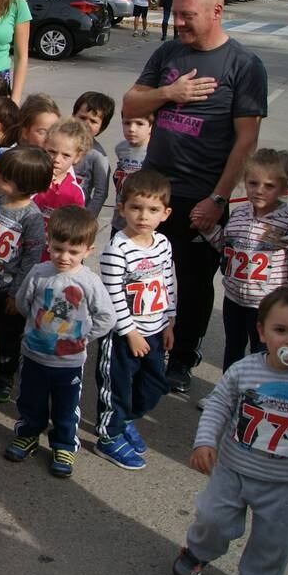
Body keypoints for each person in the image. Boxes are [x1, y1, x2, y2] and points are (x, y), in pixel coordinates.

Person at [122, 0, 267, 394]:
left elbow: (246, 140)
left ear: (216, 12)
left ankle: (183, 356)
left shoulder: (243, 64)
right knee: (139, 269)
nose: (178, 22)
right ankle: (140, 342)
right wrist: (171, 91)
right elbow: (132, 103)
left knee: (192, 280)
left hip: (199, 194)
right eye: (176, 14)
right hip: (151, 189)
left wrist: (218, 198)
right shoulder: (169, 52)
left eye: (188, 15)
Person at [173, 287, 288, 575]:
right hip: (234, 471)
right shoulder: (245, 370)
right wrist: (206, 441)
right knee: (213, 519)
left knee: (274, 542)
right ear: (262, 332)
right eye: (281, 330)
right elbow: (219, 406)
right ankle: (199, 550)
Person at [4, 205, 115, 478]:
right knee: (30, 400)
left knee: (66, 407)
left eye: (73, 252)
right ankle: (28, 434)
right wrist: (35, 328)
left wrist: (83, 338)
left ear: (88, 251)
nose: (64, 257)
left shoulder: (89, 282)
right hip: (34, 354)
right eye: (58, 249)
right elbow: (23, 302)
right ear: (49, 242)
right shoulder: (40, 272)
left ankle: (64, 445)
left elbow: (107, 317)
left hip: (69, 361)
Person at [96, 169, 176, 470]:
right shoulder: (117, 249)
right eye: (136, 207)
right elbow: (112, 294)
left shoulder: (163, 243)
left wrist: (170, 320)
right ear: (122, 209)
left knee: (153, 385)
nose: (143, 216)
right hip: (123, 334)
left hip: (155, 329)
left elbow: (168, 280)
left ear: (165, 213)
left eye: (153, 209)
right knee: (116, 385)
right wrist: (130, 332)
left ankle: (127, 417)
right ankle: (109, 435)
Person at [205, 150, 288, 370]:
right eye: (253, 183)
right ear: (245, 182)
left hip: (268, 304)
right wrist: (208, 230)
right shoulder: (238, 214)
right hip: (233, 298)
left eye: (269, 186)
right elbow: (225, 246)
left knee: (262, 350)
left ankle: (256, 398)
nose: (259, 191)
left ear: (283, 188)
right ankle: (229, 394)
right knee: (233, 346)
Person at [0, 146, 52, 404]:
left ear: (20, 185)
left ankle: (5, 375)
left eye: (2, 175)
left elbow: (31, 258)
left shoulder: (31, 216)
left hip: (8, 290)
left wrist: (17, 293)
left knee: (9, 338)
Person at [71, 91, 115, 216]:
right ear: (73, 116)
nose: (86, 123)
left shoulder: (98, 156)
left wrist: (88, 218)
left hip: (76, 215)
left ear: (102, 127)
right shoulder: (59, 143)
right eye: (82, 117)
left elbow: (101, 192)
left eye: (93, 121)